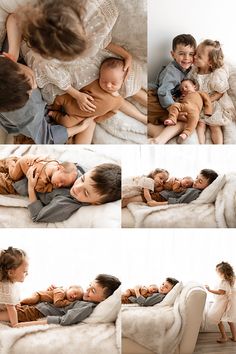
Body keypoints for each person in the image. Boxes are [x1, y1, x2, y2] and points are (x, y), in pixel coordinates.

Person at [48, 57, 146, 143]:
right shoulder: (94, 84)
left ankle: (54, 114)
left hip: (81, 117)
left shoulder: (119, 101)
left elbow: (111, 112)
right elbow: (80, 88)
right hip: (72, 102)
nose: (108, 85)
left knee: (66, 123)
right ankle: (54, 108)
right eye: (104, 80)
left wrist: (97, 118)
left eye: (113, 83)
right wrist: (78, 96)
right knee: (59, 98)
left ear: (122, 81)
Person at [0, 56, 93, 144]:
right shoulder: (27, 111)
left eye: (29, 79)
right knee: (89, 118)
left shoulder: (7, 61)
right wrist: (81, 127)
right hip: (38, 120)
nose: (35, 85)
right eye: (29, 91)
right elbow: (48, 139)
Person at [0, 274, 121, 327]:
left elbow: (64, 320)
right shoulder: (83, 297)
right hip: (39, 304)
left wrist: (22, 325)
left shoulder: (86, 307)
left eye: (93, 291)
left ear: (104, 299)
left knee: (5, 313)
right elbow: (65, 295)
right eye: (90, 285)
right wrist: (54, 291)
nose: (87, 289)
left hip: (36, 311)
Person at [25, 162, 121, 223]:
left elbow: (37, 216)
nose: (77, 187)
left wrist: (30, 187)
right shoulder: (82, 172)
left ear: (96, 203)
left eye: (86, 193)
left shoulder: (64, 204)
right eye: (82, 179)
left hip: (25, 180)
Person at [148, 34, 197, 143]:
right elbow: (163, 92)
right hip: (155, 96)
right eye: (181, 54)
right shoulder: (172, 72)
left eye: (191, 54)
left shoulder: (188, 69)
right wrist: (172, 108)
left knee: (185, 119)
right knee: (183, 120)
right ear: (173, 54)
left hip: (166, 97)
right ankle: (157, 137)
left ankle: (157, 134)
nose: (187, 58)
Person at [190, 39, 235, 144]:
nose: (195, 57)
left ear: (210, 62)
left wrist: (207, 101)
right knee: (200, 125)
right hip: (200, 102)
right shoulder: (195, 72)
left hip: (213, 103)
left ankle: (218, 148)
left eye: (199, 56)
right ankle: (201, 146)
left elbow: (220, 92)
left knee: (214, 126)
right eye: (195, 53)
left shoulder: (216, 75)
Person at [163, 79, 212, 143]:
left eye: (186, 87)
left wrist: (208, 111)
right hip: (184, 106)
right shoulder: (183, 96)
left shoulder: (199, 93)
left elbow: (207, 100)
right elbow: (179, 103)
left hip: (195, 111)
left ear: (194, 86)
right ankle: (172, 119)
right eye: (182, 89)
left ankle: (185, 134)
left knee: (193, 123)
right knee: (174, 105)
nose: (184, 89)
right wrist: (179, 99)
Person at [0, 155, 79, 194]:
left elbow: (45, 157)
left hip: (28, 159)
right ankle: (10, 162)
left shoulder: (54, 162)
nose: (59, 185)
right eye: (61, 181)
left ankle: (13, 161)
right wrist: (51, 187)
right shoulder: (43, 178)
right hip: (22, 163)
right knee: (13, 176)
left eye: (62, 186)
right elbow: (38, 188)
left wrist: (37, 158)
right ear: (59, 168)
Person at [146, 169, 218, 206]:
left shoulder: (195, 192)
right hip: (162, 192)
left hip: (162, 196)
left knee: (139, 197)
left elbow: (179, 201)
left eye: (200, 181)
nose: (195, 181)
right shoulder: (193, 185)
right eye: (196, 178)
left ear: (208, 186)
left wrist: (156, 204)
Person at [205, 262, 236, 343]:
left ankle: (224, 337)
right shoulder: (232, 279)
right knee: (230, 321)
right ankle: (235, 337)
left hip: (222, 303)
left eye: (218, 271)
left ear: (223, 272)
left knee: (218, 320)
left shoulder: (224, 281)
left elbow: (221, 292)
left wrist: (209, 290)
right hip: (230, 303)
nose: (217, 273)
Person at [0, 247, 29, 326]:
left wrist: (16, 304)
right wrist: (15, 324)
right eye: (24, 271)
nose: (27, 274)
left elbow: (14, 298)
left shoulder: (12, 282)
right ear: (11, 273)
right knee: (13, 314)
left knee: (16, 310)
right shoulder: (7, 288)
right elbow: (10, 308)